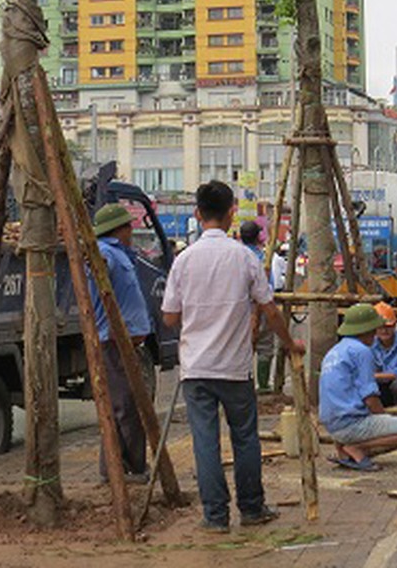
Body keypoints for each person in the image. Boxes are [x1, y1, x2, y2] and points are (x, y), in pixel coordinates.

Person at [161, 180, 304, 534]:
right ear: (229, 215)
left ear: (197, 214)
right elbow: (270, 310)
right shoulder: (244, 257)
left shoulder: (183, 260)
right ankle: (252, 508)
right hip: (235, 369)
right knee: (245, 438)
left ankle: (215, 516)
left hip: (196, 369)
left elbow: (169, 317)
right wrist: (290, 344)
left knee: (205, 442)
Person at [319, 303, 397, 471]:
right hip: (351, 422)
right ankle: (358, 448)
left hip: (331, 422)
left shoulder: (336, 350)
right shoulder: (362, 351)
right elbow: (370, 397)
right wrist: (383, 420)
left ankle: (347, 447)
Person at [89, 203, 153, 485]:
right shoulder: (105, 254)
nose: (132, 230)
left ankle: (121, 466)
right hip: (114, 343)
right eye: (128, 226)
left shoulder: (121, 254)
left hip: (125, 344)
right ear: (118, 229)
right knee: (124, 407)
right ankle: (128, 467)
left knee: (125, 405)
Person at [240, 220, 276, 392]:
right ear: (257, 237)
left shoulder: (237, 255)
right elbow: (270, 286)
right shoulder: (263, 258)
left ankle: (243, 382)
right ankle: (262, 385)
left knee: (241, 345)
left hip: (241, 308)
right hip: (261, 305)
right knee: (265, 345)